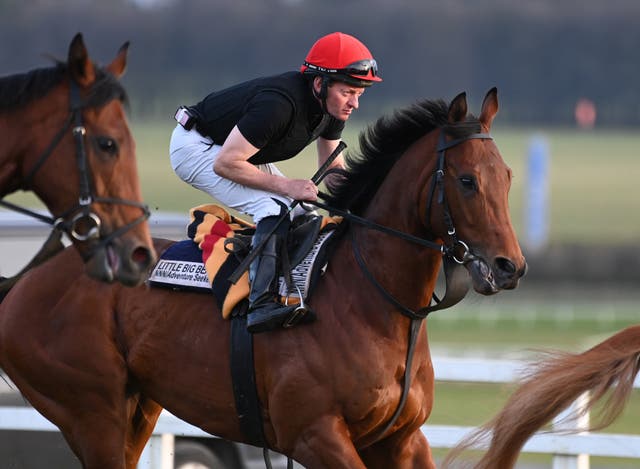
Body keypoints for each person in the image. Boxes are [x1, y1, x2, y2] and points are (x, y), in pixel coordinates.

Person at [169, 32, 382, 333]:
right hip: (196, 147)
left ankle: (291, 287)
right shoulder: (278, 105)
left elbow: (333, 169)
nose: (354, 104)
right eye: (349, 92)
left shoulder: (330, 106)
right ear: (320, 84)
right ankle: (261, 303)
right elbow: (226, 164)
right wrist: (289, 186)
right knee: (275, 207)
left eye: (359, 94)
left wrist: (365, 201)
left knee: (304, 214)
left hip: (230, 151)